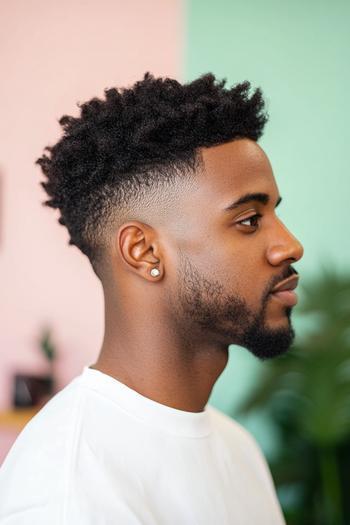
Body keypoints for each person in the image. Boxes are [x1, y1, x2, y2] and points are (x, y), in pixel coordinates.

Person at [0, 73, 303, 524]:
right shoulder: (67, 493)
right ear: (144, 252)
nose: (289, 245)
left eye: (276, 212)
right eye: (248, 220)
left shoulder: (237, 449)